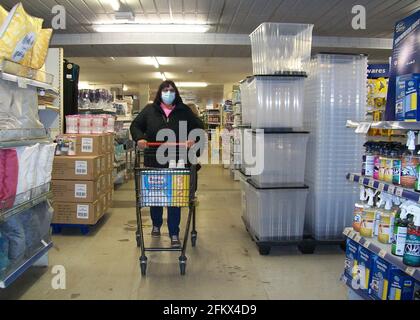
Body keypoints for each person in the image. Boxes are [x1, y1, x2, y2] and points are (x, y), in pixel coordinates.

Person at [130, 80, 204, 248]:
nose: (168, 93)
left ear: (176, 93)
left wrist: (193, 139)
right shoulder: (149, 110)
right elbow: (136, 125)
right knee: (155, 196)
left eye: (171, 90)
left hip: (176, 161)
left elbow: (199, 127)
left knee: (174, 198)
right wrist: (140, 138)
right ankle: (156, 224)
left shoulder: (183, 111)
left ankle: (174, 233)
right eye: (165, 90)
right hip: (153, 159)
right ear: (159, 93)